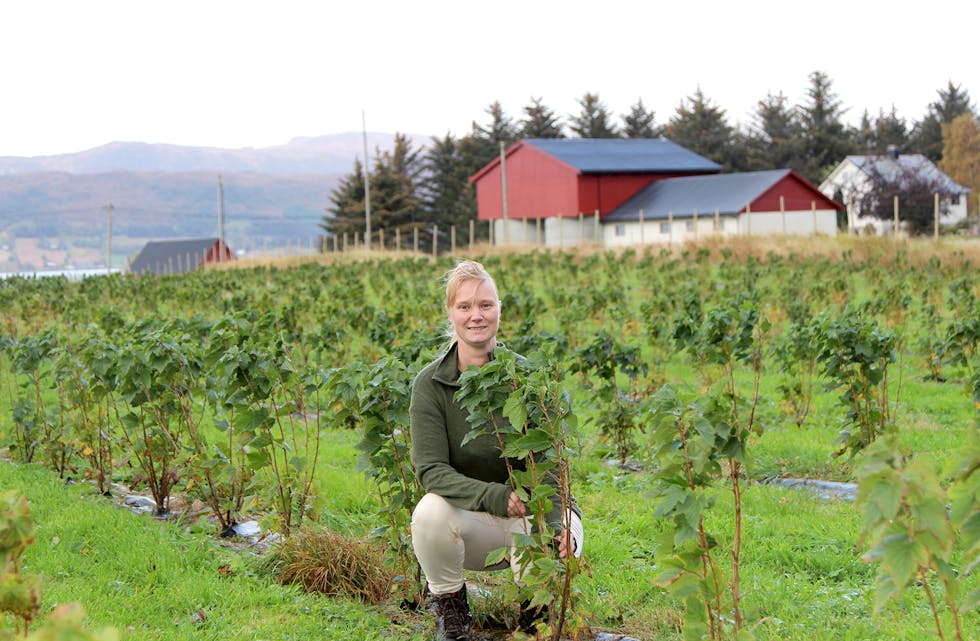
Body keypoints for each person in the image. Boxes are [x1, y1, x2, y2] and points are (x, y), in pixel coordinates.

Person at [409, 259, 583, 641]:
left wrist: (557, 524)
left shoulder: (528, 380)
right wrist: (495, 496)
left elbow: (551, 466)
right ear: (451, 313)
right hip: (477, 520)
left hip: (538, 512)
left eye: (486, 305)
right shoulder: (431, 385)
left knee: (542, 572)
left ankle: (535, 618)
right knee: (428, 514)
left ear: (499, 309)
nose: (476, 316)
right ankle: (452, 613)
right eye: (465, 306)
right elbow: (430, 469)